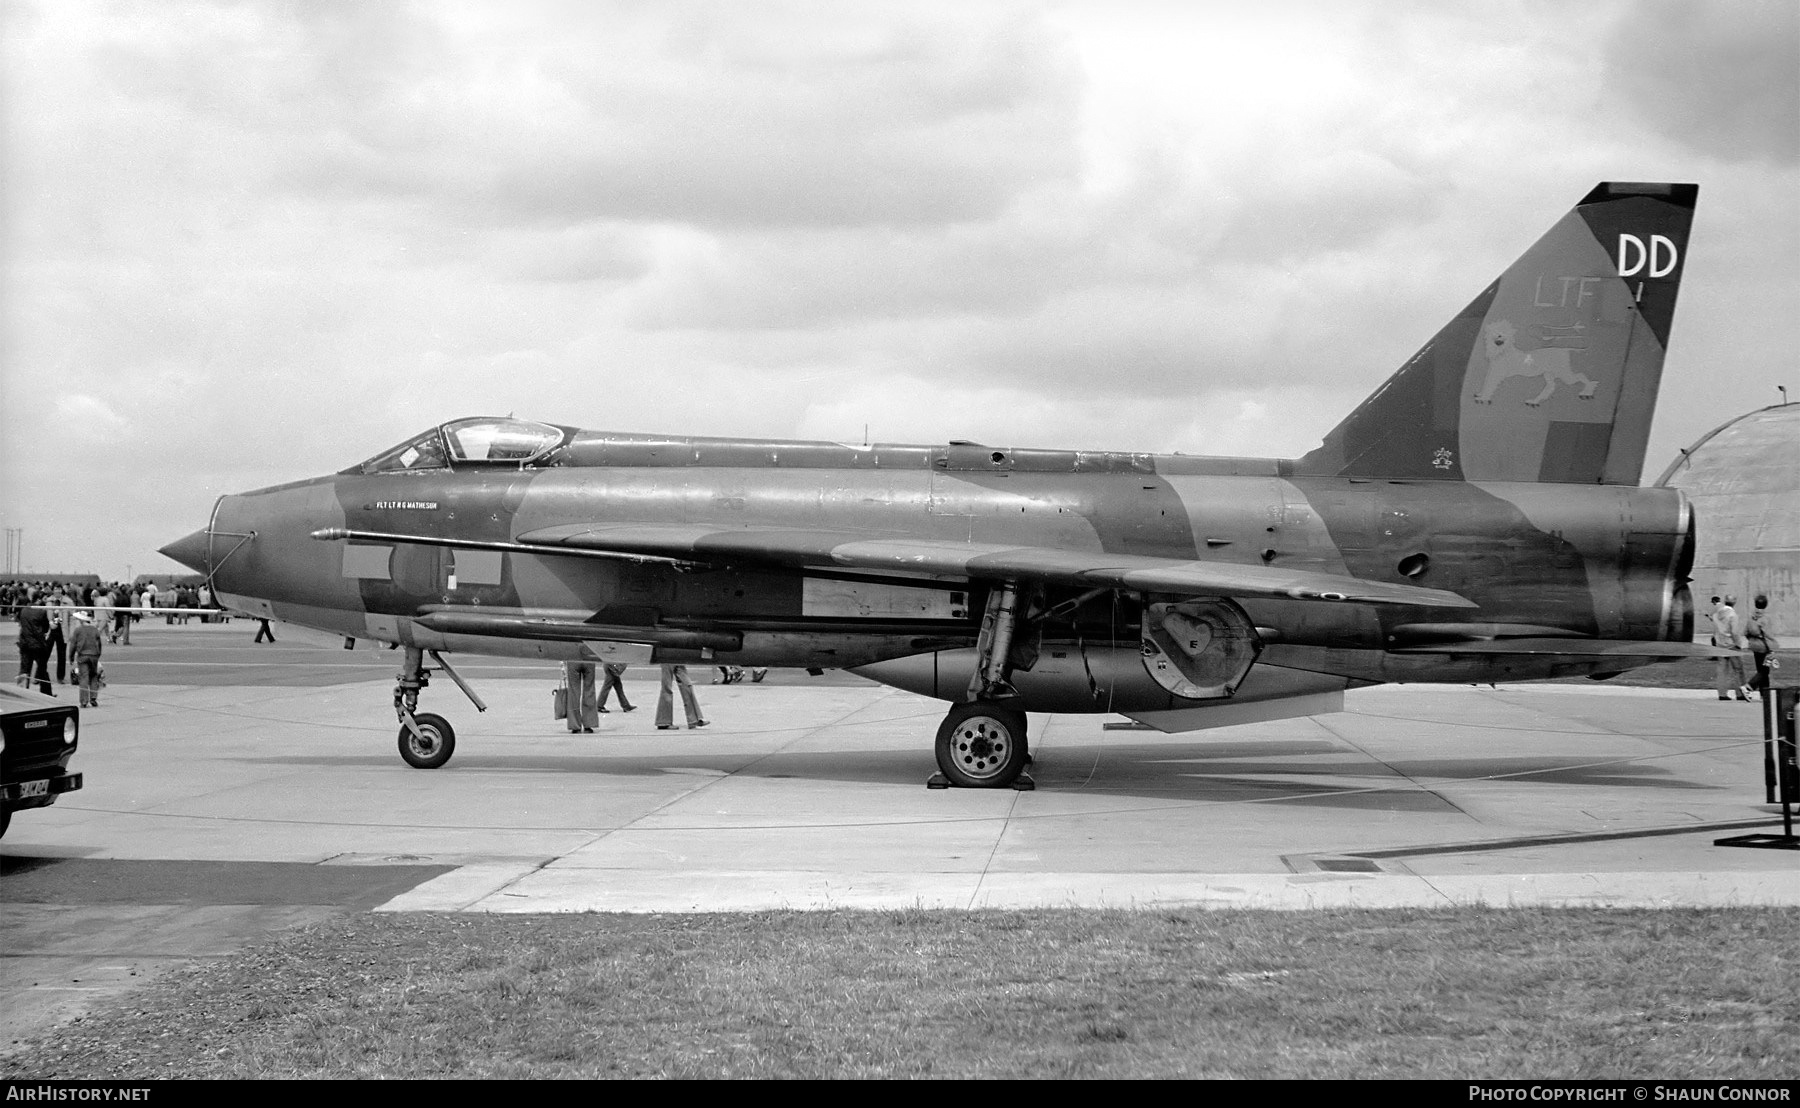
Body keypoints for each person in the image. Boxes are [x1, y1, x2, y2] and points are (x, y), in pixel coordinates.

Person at [1712, 595, 1750, 701]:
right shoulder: (1733, 615)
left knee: (1722, 670)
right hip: (1731, 644)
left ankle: (1722, 693)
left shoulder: (1716, 614)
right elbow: (1734, 632)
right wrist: (1738, 643)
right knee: (1738, 669)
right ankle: (1740, 693)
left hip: (1720, 644)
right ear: (1734, 602)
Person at [16, 592, 53, 696]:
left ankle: (22, 693)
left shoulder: (24, 610)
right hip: (37, 645)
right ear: (39, 600)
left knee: (24, 670)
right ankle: (46, 693)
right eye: (44, 599)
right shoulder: (41, 612)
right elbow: (45, 628)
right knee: (42, 670)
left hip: (25, 643)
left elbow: (20, 622)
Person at [1744, 594, 1781, 693]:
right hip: (1764, 648)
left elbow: (1745, 632)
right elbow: (1768, 635)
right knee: (1764, 671)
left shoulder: (1751, 617)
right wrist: (1772, 649)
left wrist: (1752, 640)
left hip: (1755, 646)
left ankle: (1764, 693)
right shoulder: (1765, 618)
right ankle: (1749, 686)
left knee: (1761, 669)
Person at [655, 664, 707, 730]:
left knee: (687, 685)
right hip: (667, 657)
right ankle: (663, 722)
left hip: (677, 657)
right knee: (667, 687)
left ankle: (694, 719)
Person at [69, 611, 103, 707]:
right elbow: (99, 644)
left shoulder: (78, 630)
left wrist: (71, 656)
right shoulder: (95, 630)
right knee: (93, 676)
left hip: (82, 655)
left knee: (84, 677)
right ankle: (93, 697)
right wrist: (98, 654)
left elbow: (73, 645)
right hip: (93, 655)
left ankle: (84, 701)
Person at [563, 661, 599, 733]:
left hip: (573, 659)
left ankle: (575, 725)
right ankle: (589, 723)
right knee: (589, 690)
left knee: (573, 692)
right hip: (588, 658)